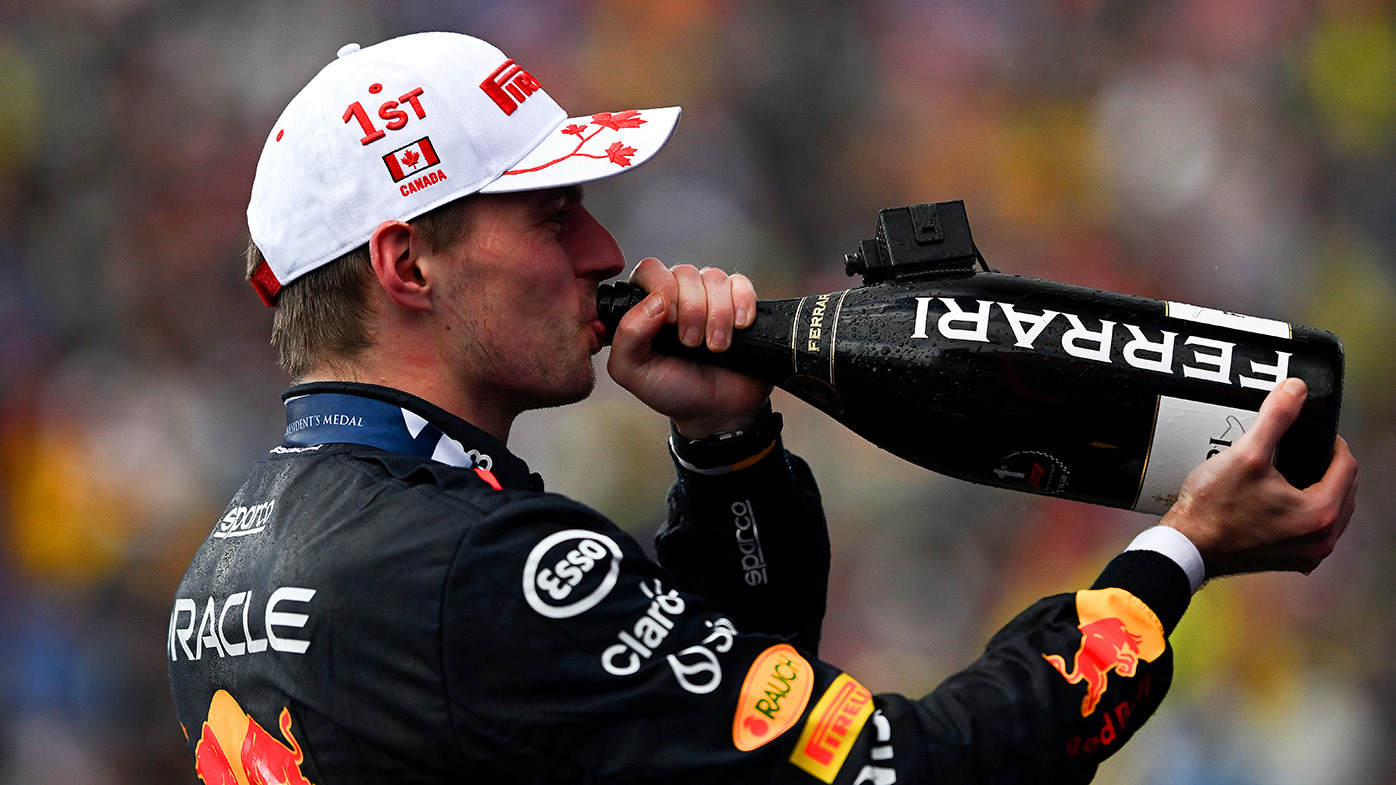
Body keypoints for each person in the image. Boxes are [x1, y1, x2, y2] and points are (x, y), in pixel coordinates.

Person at [166, 31, 1359, 784]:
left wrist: (726, 445)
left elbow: (714, 708)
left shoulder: (220, 580)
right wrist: (1178, 557)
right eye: (550, 215)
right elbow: (897, 769)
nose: (605, 248)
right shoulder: (473, 568)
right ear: (406, 267)